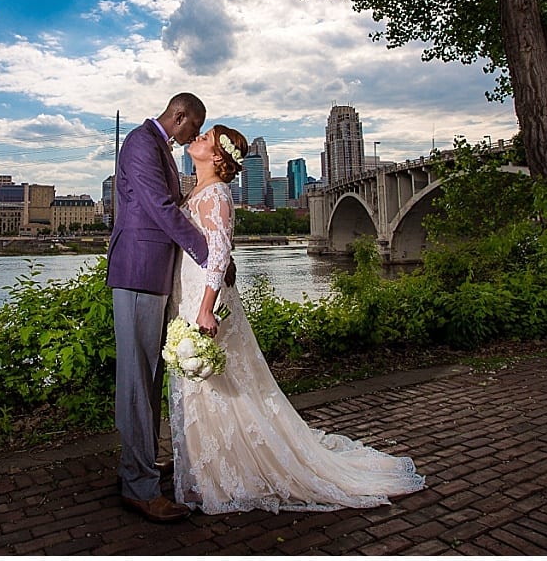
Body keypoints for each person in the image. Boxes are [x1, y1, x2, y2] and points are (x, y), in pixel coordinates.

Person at [167, 124, 426, 514]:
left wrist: (206, 307)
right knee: (206, 385)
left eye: (205, 138)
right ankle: (208, 469)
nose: (196, 139)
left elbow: (219, 256)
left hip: (205, 298)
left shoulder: (217, 195)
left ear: (217, 157)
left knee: (218, 382)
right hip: (189, 291)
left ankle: (222, 473)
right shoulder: (198, 191)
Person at [106, 92, 216, 524]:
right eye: (194, 127)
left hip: (153, 273)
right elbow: (160, 206)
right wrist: (207, 253)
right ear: (180, 116)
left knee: (148, 376)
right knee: (136, 379)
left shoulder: (159, 148)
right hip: (136, 271)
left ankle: (141, 465)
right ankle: (139, 488)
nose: (194, 136)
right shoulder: (140, 143)